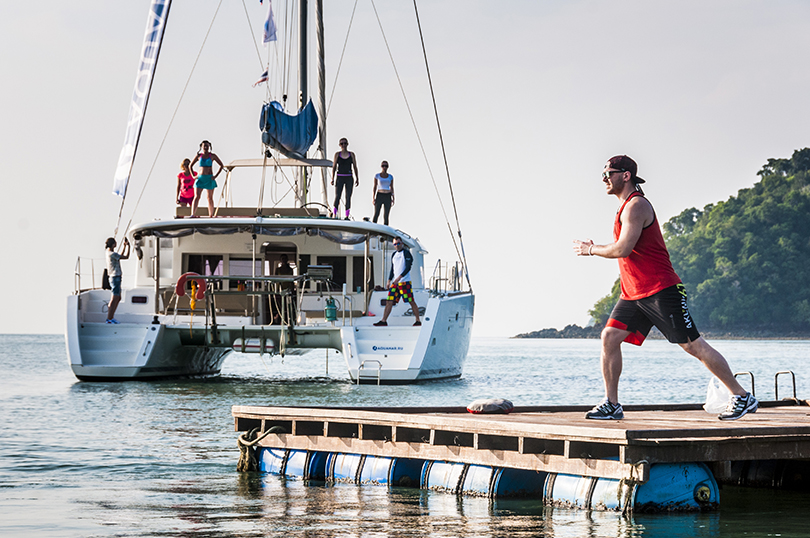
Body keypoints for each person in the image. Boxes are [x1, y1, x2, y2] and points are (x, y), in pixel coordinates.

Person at [573, 155, 757, 421]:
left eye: (608, 173)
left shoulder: (636, 205)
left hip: (661, 290)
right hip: (634, 293)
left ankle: (741, 396)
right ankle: (611, 404)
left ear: (626, 175)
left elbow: (622, 248)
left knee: (693, 346)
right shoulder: (624, 206)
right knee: (609, 337)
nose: (604, 178)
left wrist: (590, 249)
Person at [373, 237, 421, 327]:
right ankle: (384, 320)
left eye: (398, 243)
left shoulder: (406, 253)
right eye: (395, 244)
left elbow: (408, 268)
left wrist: (399, 278)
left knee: (411, 301)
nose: (397, 246)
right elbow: (393, 269)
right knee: (389, 301)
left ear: (402, 243)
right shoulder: (394, 254)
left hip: (404, 282)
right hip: (395, 283)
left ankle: (418, 320)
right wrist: (389, 280)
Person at [190, 140, 224, 217]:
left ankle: (211, 214)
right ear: (201, 147)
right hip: (200, 178)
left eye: (207, 146)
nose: (205, 147)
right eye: (204, 146)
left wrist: (215, 176)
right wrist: (193, 175)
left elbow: (221, 165)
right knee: (197, 196)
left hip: (209, 178)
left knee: (209, 197)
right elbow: (190, 166)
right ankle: (193, 214)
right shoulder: (199, 156)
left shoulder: (212, 156)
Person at [331, 137, 359, 220]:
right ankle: (334, 214)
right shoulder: (337, 154)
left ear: (347, 144)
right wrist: (332, 178)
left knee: (348, 196)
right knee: (337, 196)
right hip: (340, 177)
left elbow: (355, 166)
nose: (343, 145)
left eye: (345, 143)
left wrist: (357, 178)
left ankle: (347, 215)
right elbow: (334, 167)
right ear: (339, 145)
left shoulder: (351, 154)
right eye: (342, 143)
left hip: (349, 177)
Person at [105, 236, 131, 324]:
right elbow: (126, 257)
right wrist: (129, 247)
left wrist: (124, 246)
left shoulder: (109, 253)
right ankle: (109, 318)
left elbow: (119, 256)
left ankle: (111, 317)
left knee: (118, 297)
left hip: (115, 277)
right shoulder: (112, 254)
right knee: (114, 297)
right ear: (113, 244)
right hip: (115, 277)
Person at [372, 161, 395, 225]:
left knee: (386, 215)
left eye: (386, 166)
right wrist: (373, 197)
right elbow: (375, 186)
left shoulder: (390, 176)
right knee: (377, 213)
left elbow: (392, 187)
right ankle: (373, 226)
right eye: (383, 166)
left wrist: (393, 197)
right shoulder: (377, 176)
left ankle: (385, 228)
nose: (384, 167)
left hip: (387, 195)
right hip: (380, 194)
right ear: (381, 166)